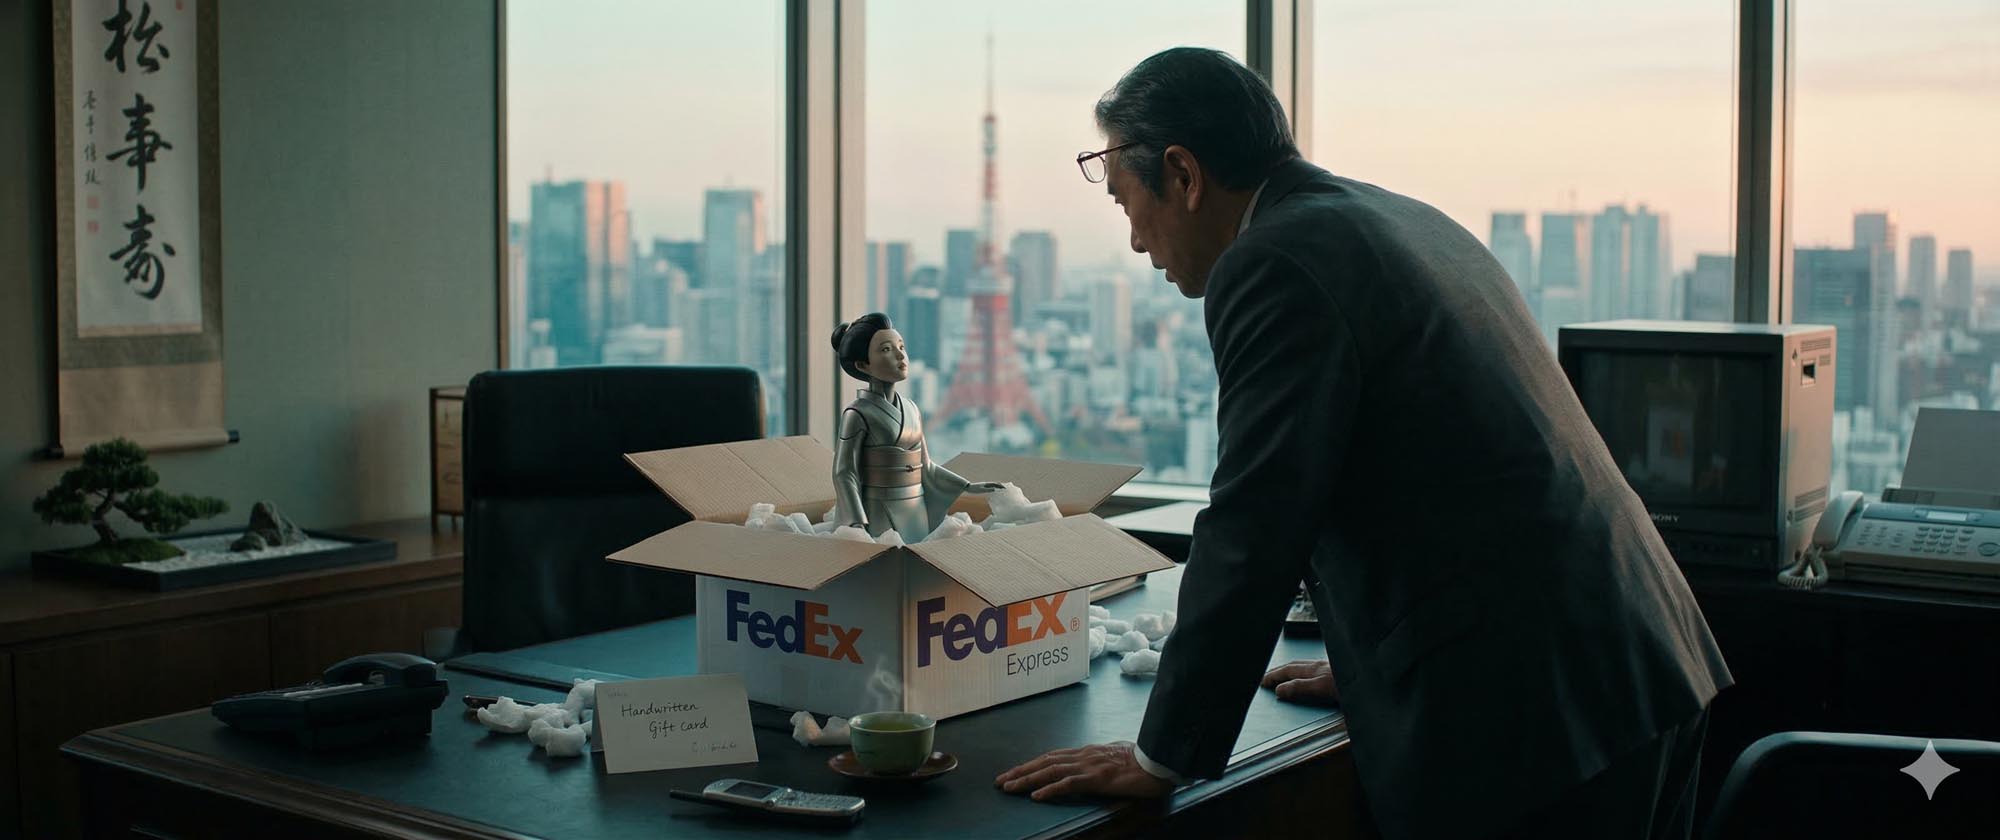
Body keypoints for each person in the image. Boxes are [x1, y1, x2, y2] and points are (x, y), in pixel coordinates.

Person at [995, 48, 1731, 840]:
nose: (1137, 243)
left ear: (1183, 174)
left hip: (1530, 712)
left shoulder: (1272, 263)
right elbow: (1449, 471)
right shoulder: (1394, 217)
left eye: (1124, 202)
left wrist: (1161, 755)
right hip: (1635, 659)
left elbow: (1256, 524)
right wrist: (1365, 665)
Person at [829, 313, 1002, 543]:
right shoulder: (857, 413)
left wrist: (967, 486)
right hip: (878, 510)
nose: (901, 355)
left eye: (901, 346)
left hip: (914, 506)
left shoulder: (911, 408)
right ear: (863, 365)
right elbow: (844, 472)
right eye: (886, 350)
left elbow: (926, 467)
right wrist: (856, 521)